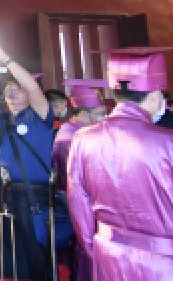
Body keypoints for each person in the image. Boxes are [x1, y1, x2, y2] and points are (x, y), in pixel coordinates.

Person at [67, 47, 173, 280]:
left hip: (107, 253)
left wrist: (93, 249)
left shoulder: (83, 138)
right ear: (155, 95)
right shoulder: (167, 141)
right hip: (162, 261)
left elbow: (78, 203)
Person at [0, 45, 53, 280]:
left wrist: (6, 59)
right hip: (2, 192)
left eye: (18, 88)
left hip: (32, 194)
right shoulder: (0, 118)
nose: (12, 93)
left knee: (36, 249)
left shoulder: (40, 116)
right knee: (9, 252)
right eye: (8, 89)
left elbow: (33, 87)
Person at [50, 80, 107, 281]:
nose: (104, 117)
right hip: (78, 204)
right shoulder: (69, 137)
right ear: (84, 113)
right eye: (100, 113)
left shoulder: (81, 131)